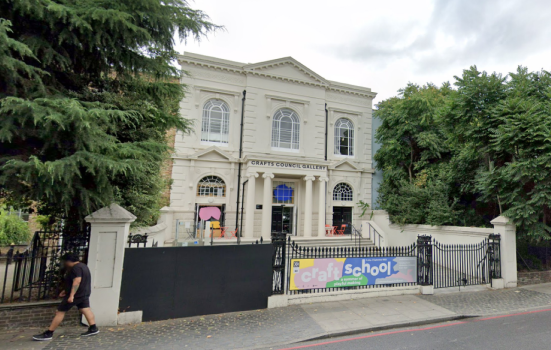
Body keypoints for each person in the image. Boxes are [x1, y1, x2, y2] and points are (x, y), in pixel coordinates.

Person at [33, 253, 99, 341]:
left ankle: (49, 333)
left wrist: (71, 295)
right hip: (84, 293)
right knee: (85, 309)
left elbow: (77, 281)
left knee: (60, 311)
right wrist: (66, 290)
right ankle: (93, 328)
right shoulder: (83, 266)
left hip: (76, 294)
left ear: (68, 261)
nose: (64, 263)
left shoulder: (75, 268)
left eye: (65, 261)